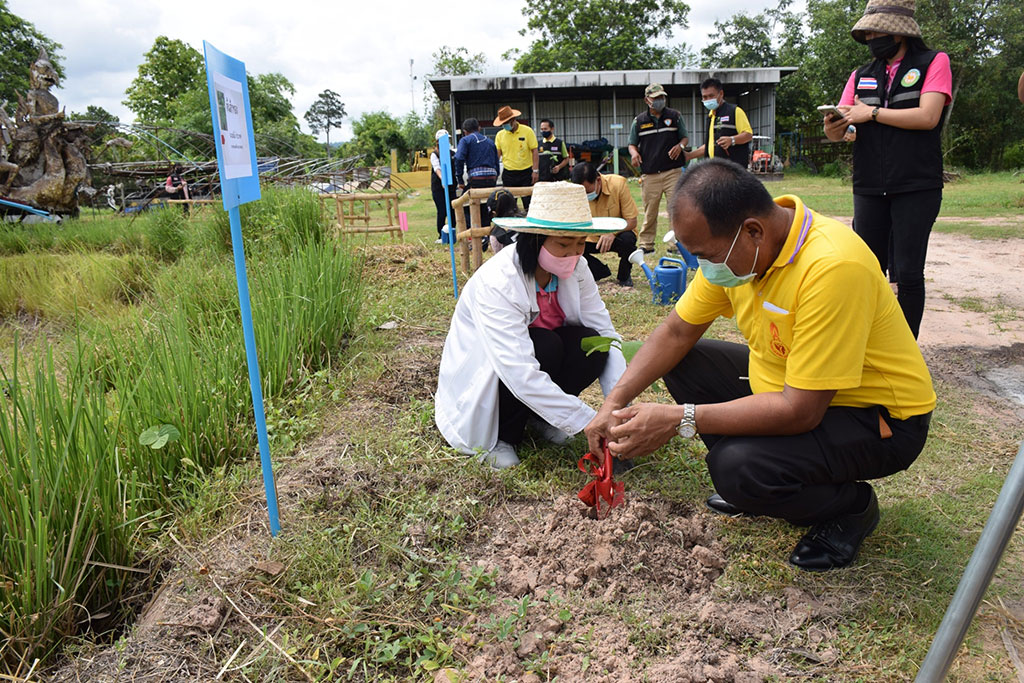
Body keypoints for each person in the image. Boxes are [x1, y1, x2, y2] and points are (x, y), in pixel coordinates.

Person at [585, 160, 935, 571]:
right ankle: (765, 474)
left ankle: (849, 506)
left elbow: (800, 410)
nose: (704, 267)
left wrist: (680, 419)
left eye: (707, 256)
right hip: (789, 388)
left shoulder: (832, 267)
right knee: (684, 362)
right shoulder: (739, 252)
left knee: (737, 468)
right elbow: (677, 332)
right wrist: (614, 401)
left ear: (753, 230)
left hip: (877, 418)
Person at [435, 181, 628, 469]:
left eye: (580, 243)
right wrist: (589, 420)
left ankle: (541, 418)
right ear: (536, 240)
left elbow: (606, 334)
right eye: (563, 244)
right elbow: (517, 371)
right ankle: (504, 436)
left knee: (593, 344)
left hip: (539, 358)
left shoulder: (579, 268)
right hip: (497, 367)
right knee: (545, 346)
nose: (574, 253)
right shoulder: (500, 281)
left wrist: (617, 412)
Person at [823, 0, 952, 339]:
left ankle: (906, 351)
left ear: (899, 32)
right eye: (867, 33)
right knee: (867, 271)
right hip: (869, 184)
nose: (870, 38)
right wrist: (835, 128)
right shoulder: (861, 75)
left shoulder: (933, 62)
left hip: (916, 184)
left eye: (876, 31)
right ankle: (869, 346)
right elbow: (846, 126)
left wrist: (872, 113)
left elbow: (928, 116)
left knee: (908, 273)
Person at [628, 83, 688, 253]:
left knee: (675, 209)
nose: (660, 100)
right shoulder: (639, 121)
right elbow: (632, 144)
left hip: (673, 172)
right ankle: (646, 245)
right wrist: (634, 153)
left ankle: (676, 245)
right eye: (655, 98)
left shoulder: (675, 116)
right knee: (650, 211)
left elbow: (684, 138)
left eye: (662, 97)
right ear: (647, 100)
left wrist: (680, 147)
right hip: (650, 174)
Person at [571, 162, 639, 287]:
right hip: (590, 237)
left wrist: (612, 232)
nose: (584, 196)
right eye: (581, 192)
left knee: (628, 239)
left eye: (587, 191)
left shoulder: (618, 184)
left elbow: (632, 221)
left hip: (616, 236)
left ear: (598, 180)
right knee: (569, 245)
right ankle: (599, 272)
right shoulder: (574, 192)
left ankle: (624, 276)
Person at [685, 77, 753, 168]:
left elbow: (748, 135)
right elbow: (710, 146)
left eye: (711, 96)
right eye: (705, 97)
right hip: (714, 170)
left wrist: (732, 140)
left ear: (721, 94)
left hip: (733, 170)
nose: (708, 99)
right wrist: (689, 155)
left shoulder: (735, 111)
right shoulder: (710, 117)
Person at [454, 118, 499, 229]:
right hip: (491, 178)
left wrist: (460, 180)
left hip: (476, 178)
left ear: (465, 131)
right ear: (479, 128)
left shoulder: (465, 140)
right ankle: (486, 231)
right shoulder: (490, 141)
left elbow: (459, 158)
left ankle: (474, 230)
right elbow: (496, 161)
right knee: (485, 205)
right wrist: (495, 177)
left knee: (463, 204)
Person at [494, 106, 539, 210]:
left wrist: (535, 170)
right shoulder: (500, 135)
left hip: (526, 173)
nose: (505, 125)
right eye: (503, 124)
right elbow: (497, 154)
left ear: (513, 119)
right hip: (509, 174)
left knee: (529, 203)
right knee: (509, 205)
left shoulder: (527, 131)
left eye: (506, 123)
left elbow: (535, 151)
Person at [430, 129, 457, 243]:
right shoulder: (434, 154)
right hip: (438, 187)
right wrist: (443, 179)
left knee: (453, 210)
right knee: (442, 211)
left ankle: (453, 233)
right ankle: (441, 235)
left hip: (451, 186)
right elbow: (437, 169)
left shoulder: (453, 154)